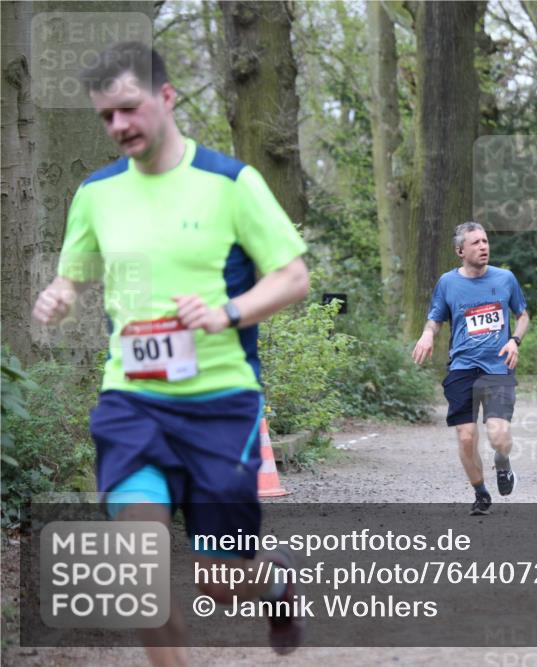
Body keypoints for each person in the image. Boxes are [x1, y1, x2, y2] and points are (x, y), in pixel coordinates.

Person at [31, 42, 309, 664]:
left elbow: (293, 277)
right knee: (139, 572)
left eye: (128, 109)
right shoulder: (96, 193)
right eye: (106, 117)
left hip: (220, 404)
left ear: (165, 97)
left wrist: (227, 313)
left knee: (220, 580)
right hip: (132, 402)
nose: (119, 126)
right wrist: (57, 294)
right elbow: (72, 274)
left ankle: (272, 581)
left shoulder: (232, 183)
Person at [412, 222, 530, 515]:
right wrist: (428, 333)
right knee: (466, 437)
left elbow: (523, 315)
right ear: (460, 250)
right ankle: (480, 493)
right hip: (462, 368)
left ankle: (502, 463)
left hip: (498, 367)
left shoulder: (505, 279)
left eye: (486, 241)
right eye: (476, 242)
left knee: (498, 435)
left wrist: (515, 340)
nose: (483, 247)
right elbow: (435, 318)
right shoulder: (448, 283)